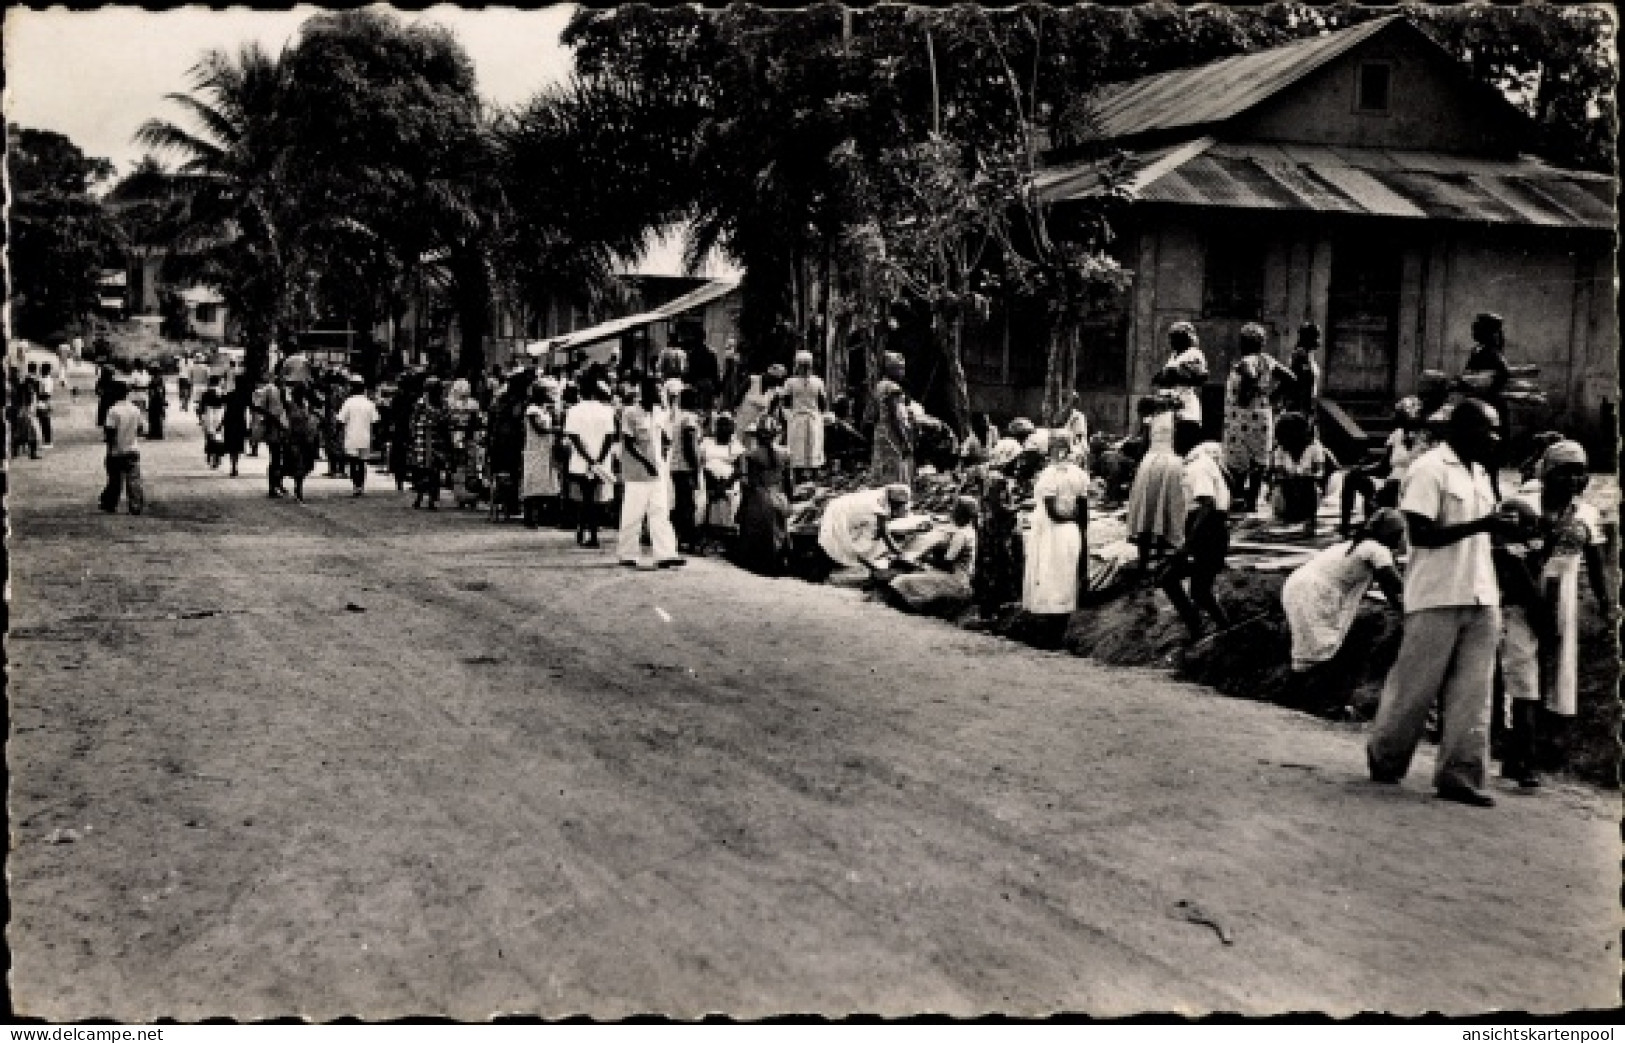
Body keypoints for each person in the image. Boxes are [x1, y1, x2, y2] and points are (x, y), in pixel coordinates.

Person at [1367, 398, 1510, 807]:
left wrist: (1502, 530)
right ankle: (1387, 757)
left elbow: (1483, 534)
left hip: (1481, 592)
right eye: (1489, 429)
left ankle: (1460, 775)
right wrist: (1484, 524)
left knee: (1474, 692)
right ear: (1462, 431)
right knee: (1415, 687)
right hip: (1436, 594)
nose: (1496, 438)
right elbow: (1423, 534)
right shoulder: (1429, 470)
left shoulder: (1481, 474)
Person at [1499, 440, 1616, 787]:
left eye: (1581, 473)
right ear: (1547, 473)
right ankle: (1523, 758)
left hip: (1562, 597)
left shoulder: (1586, 515)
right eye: (1565, 472)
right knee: (1521, 673)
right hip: (1520, 597)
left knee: (1556, 675)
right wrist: (1536, 607)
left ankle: (1530, 754)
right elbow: (1509, 561)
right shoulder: (1522, 505)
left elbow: (1595, 566)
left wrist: (1607, 607)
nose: (1574, 480)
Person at [1280, 508, 1407, 714]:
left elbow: (1388, 589)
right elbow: (1395, 584)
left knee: (1311, 651)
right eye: (1399, 534)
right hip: (1313, 592)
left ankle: (1293, 699)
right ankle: (1320, 703)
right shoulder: (1376, 550)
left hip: (1300, 586)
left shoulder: (1365, 547)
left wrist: (1403, 610)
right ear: (1390, 534)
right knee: (1320, 650)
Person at [1158, 421, 1232, 640]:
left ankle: (1215, 628)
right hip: (1207, 528)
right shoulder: (1200, 462)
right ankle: (1200, 625)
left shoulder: (1198, 466)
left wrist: (1189, 544)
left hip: (1208, 531)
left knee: (1192, 587)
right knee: (1178, 582)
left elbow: (1207, 504)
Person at [617, 376, 685, 569]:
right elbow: (629, 443)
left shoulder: (659, 413)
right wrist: (646, 462)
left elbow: (666, 439)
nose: (660, 393)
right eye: (657, 390)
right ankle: (627, 553)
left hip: (658, 471)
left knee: (660, 512)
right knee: (633, 514)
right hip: (638, 472)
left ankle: (665, 554)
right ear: (646, 392)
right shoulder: (630, 413)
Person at [1022, 433, 1090, 619]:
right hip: (1071, 530)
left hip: (1052, 530)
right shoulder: (1079, 474)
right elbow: (1084, 512)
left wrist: (1068, 517)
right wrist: (1078, 525)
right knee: (1065, 573)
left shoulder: (1050, 475)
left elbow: (1053, 512)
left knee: (1049, 572)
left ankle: (1049, 617)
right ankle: (1062, 615)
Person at [1339, 396, 1426, 536]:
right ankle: (1345, 527)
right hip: (1392, 479)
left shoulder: (1426, 438)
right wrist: (1362, 470)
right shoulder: (1396, 435)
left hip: (1412, 482)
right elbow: (1384, 466)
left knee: (1384, 492)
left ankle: (1374, 523)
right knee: (1351, 477)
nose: (1397, 420)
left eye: (1402, 416)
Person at [1221, 323, 1285, 511]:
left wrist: (1246, 393)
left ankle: (1239, 499)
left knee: (1238, 460)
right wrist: (1271, 395)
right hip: (1263, 415)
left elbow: (1250, 375)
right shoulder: (1268, 360)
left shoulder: (1246, 361)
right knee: (1258, 459)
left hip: (1242, 418)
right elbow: (1290, 378)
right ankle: (1252, 502)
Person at [885, 497, 980, 617]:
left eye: (955, 509)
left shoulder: (961, 535)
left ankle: (916, 610)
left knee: (901, 581)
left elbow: (947, 563)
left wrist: (923, 559)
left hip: (955, 580)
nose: (952, 512)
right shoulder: (969, 530)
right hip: (961, 577)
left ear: (960, 513)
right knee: (913, 575)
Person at [1124, 395, 1185, 572]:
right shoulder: (1177, 417)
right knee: (1165, 507)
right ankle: (1160, 555)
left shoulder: (1150, 421)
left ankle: (1144, 561)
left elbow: (1143, 445)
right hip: (1171, 462)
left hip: (1151, 462)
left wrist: (1139, 462)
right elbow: (1180, 443)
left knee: (1146, 508)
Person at [563, 374, 618, 548]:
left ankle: (586, 531)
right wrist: (599, 460)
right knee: (592, 498)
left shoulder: (573, 411)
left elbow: (573, 437)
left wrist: (588, 459)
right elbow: (610, 437)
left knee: (585, 497)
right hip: (601, 460)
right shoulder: (607, 411)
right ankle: (589, 532)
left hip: (582, 461)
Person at [735, 414, 793, 575]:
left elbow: (747, 483)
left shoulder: (749, 455)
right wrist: (788, 501)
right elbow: (789, 482)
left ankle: (756, 562)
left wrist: (742, 508)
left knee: (755, 530)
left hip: (759, 497)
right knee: (779, 531)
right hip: (778, 496)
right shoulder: (786, 453)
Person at [818, 484, 911, 585]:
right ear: (895, 503)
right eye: (900, 505)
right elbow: (883, 532)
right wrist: (898, 552)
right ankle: (863, 568)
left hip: (838, 509)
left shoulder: (879, 495)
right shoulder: (878, 504)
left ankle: (868, 565)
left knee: (865, 541)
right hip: (840, 518)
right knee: (861, 544)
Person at [1268, 411, 1336, 536]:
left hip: (1309, 489)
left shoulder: (1315, 447)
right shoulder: (1280, 450)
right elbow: (1278, 472)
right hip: (1287, 490)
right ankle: (1288, 512)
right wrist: (1289, 478)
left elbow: (1319, 472)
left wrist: (1305, 477)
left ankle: (1310, 516)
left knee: (1309, 484)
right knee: (1285, 485)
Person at [520, 382, 563, 528]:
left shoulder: (544, 409)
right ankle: (529, 518)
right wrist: (555, 430)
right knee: (532, 483)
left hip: (545, 449)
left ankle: (544, 517)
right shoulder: (532, 410)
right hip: (535, 449)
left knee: (546, 483)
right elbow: (538, 429)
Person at [699, 412, 744, 553]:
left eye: (727, 425)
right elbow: (701, 464)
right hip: (708, 480)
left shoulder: (736, 446)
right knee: (705, 498)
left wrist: (724, 485)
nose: (723, 428)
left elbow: (740, 469)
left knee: (730, 497)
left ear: (732, 428)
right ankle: (709, 537)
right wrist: (712, 481)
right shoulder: (707, 443)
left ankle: (726, 538)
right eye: (720, 424)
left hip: (728, 482)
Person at [667, 387, 704, 553]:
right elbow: (690, 445)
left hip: (676, 465)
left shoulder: (678, 417)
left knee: (681, 504)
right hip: (685, 466)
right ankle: (688, 540)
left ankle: (679, 538)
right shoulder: (689, 418)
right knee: (688, 505)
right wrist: (695, 468)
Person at [99, 384, 146, 515]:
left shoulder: (113, 411)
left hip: (117, 450)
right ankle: (136, 505)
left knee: (115, 479)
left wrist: (110, 449)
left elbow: (110, 431)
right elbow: (141, 429)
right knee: (134, 479)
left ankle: (110, 503)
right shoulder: (135, 410)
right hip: (133, 448)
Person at [869, 358, 916, 487]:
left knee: (882, 466)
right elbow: (896, 417)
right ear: (891, 369)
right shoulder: (893, 388)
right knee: (896, 468)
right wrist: (904, 440)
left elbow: (874, 414)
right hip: (892, 433)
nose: (903, 372)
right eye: (900, 368)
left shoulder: (879, 386)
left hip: (881, 431)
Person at [782, 350, 827, 481]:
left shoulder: (793, 382)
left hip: (805, 418)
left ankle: (805, 478)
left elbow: (785, 402)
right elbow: (823, 403)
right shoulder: (793, 382)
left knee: (810, 446)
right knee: (806, 446)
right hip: (804, 417)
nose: (804, 367)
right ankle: (807, 477)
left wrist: (788, 415)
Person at [1152, 321, 1207, 423]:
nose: (1171, 342)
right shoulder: (1174, 356)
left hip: (1185, 403)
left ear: (1185, 339)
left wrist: (1176, 376)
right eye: (1171, 338)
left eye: (1175, 338)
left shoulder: (1193, 354)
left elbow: (1201, 377)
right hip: (1168, 403)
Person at [409, 377, 451, 510]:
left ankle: (427, 498)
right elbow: (414, 421)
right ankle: (423, 498)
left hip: (431, 442)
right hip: (425, 441)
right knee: (427, 472)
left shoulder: (429, 404)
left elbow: (414, 421)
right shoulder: (425, 403)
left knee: (430, 472)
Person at [336, 377, 380, 496]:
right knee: (362, 463)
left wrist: (337, 434)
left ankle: (356, 485)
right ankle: (361, 486)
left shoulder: (348, 402)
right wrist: (375, 437)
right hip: (365, 437)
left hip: (351, 437)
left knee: (352, 463)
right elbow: (375, 421)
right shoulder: (369, 403)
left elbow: (340, 420)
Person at [281, 385, 321, 504]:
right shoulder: (290, 406)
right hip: (294, 438)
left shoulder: (306, 406)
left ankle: (297, 487)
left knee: (303, 464)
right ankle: (297, 489)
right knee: (297, 463)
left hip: (305, 438)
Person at [1277, 323, 1322, 423]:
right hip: (1299, 407)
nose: (1319, 341)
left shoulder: (1309, 355)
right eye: (1316, 337)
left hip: (1307, 406)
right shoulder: (1300, 355)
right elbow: (1293, 380)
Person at [221, 373, 252, 477]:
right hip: (240, 423)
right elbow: (253, 408)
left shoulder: (230, 395)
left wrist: (221, 423)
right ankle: (235, 465)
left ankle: (233, 466)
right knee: (237, 446)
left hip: (229, 422)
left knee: (232, 446)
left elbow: (220, 402)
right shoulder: (246, 397)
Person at [197, 375, 227, 469]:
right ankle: (217, 457)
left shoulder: (206, 393)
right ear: (218, 382)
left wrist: (200, 418)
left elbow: (201, 407)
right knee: (219, 437)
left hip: (208, 414)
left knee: (209, 437)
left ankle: (210, 454)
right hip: (219, 415)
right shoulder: (222, 392)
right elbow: (225, 406)